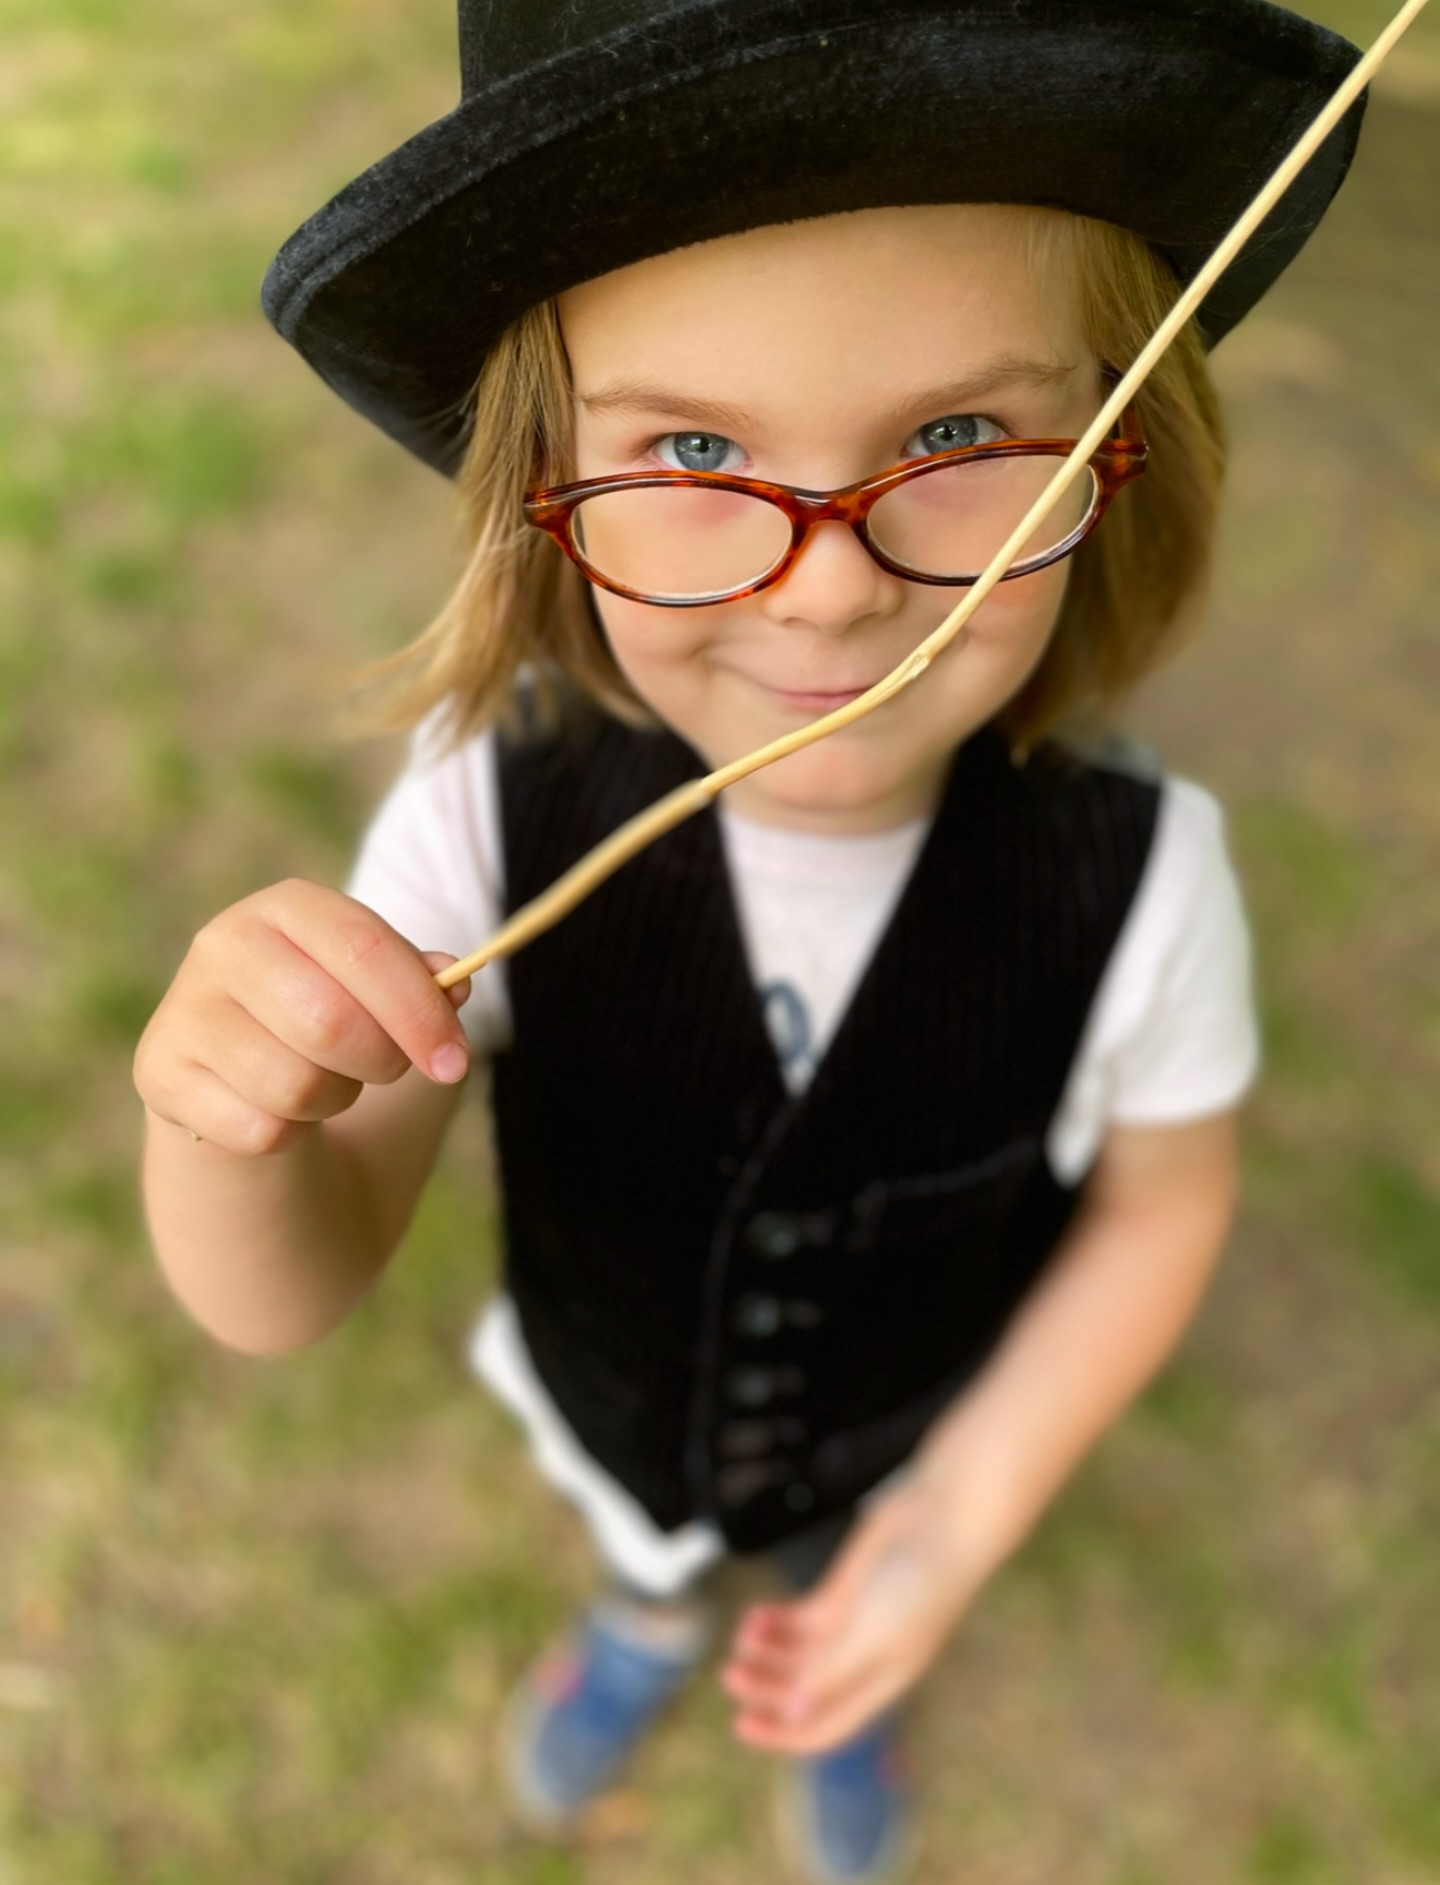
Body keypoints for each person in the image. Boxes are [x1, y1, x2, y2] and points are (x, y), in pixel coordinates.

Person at [133, 3, 1366, 1879]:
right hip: (614, 1403)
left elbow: (1160, 1204)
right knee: (650, 1538)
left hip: (896, 1436)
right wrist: (225, 1120)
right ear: (542, 495)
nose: (832, 579)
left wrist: (952, 1521)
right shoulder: (485, 807)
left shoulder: (1145, 881)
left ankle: (847, 1687)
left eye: (957, 433)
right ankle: (637, 1623)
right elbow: (282, 1293)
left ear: (1119, 446)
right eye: (696, 444)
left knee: (834, 1582)